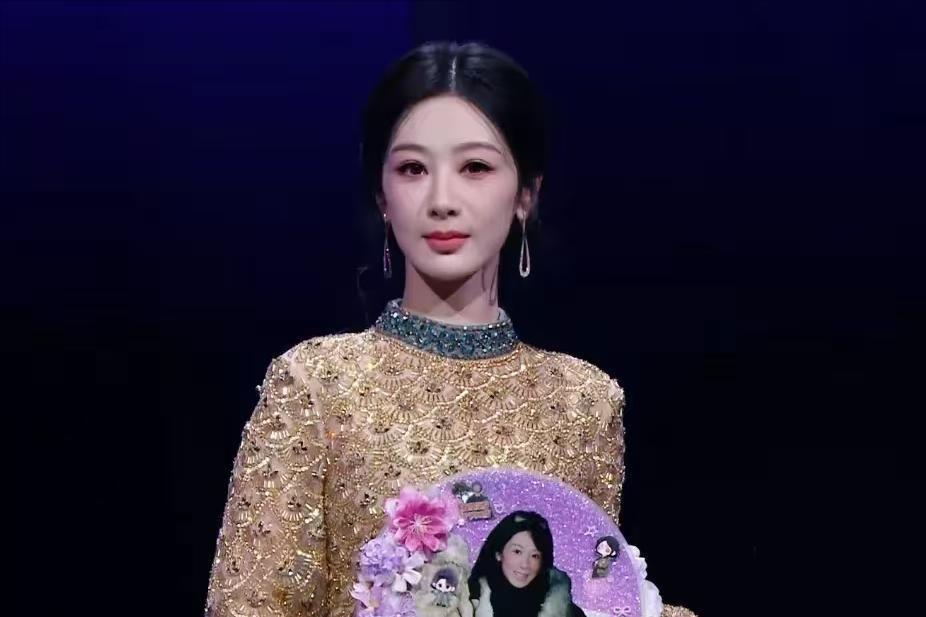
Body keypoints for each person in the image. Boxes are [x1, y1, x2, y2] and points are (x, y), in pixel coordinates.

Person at [204, 40, 695, 617]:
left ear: (526, 194)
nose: (441, 200)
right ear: (383, 196)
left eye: (475, 168)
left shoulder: (584, 401)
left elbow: (594, 591)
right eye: (413, 169)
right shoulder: (317, 383)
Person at [468, 511, 585, 617]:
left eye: (535, 556)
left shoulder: (564, 610)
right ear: (498, 553)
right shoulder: (467, 601)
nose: (525, 564)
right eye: (517, 551)